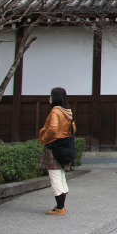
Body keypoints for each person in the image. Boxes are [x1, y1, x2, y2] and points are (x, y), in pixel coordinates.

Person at [38, 87, 75, 215]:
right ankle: (61, 205)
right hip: (64, 146)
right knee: (61, 175)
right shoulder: (67, 112)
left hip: (54, 146)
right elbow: (73, 128)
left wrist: (45, 138)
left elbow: (53, 128)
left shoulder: (55, 111)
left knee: (55, 176)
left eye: (51, 96)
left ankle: (60, 207)